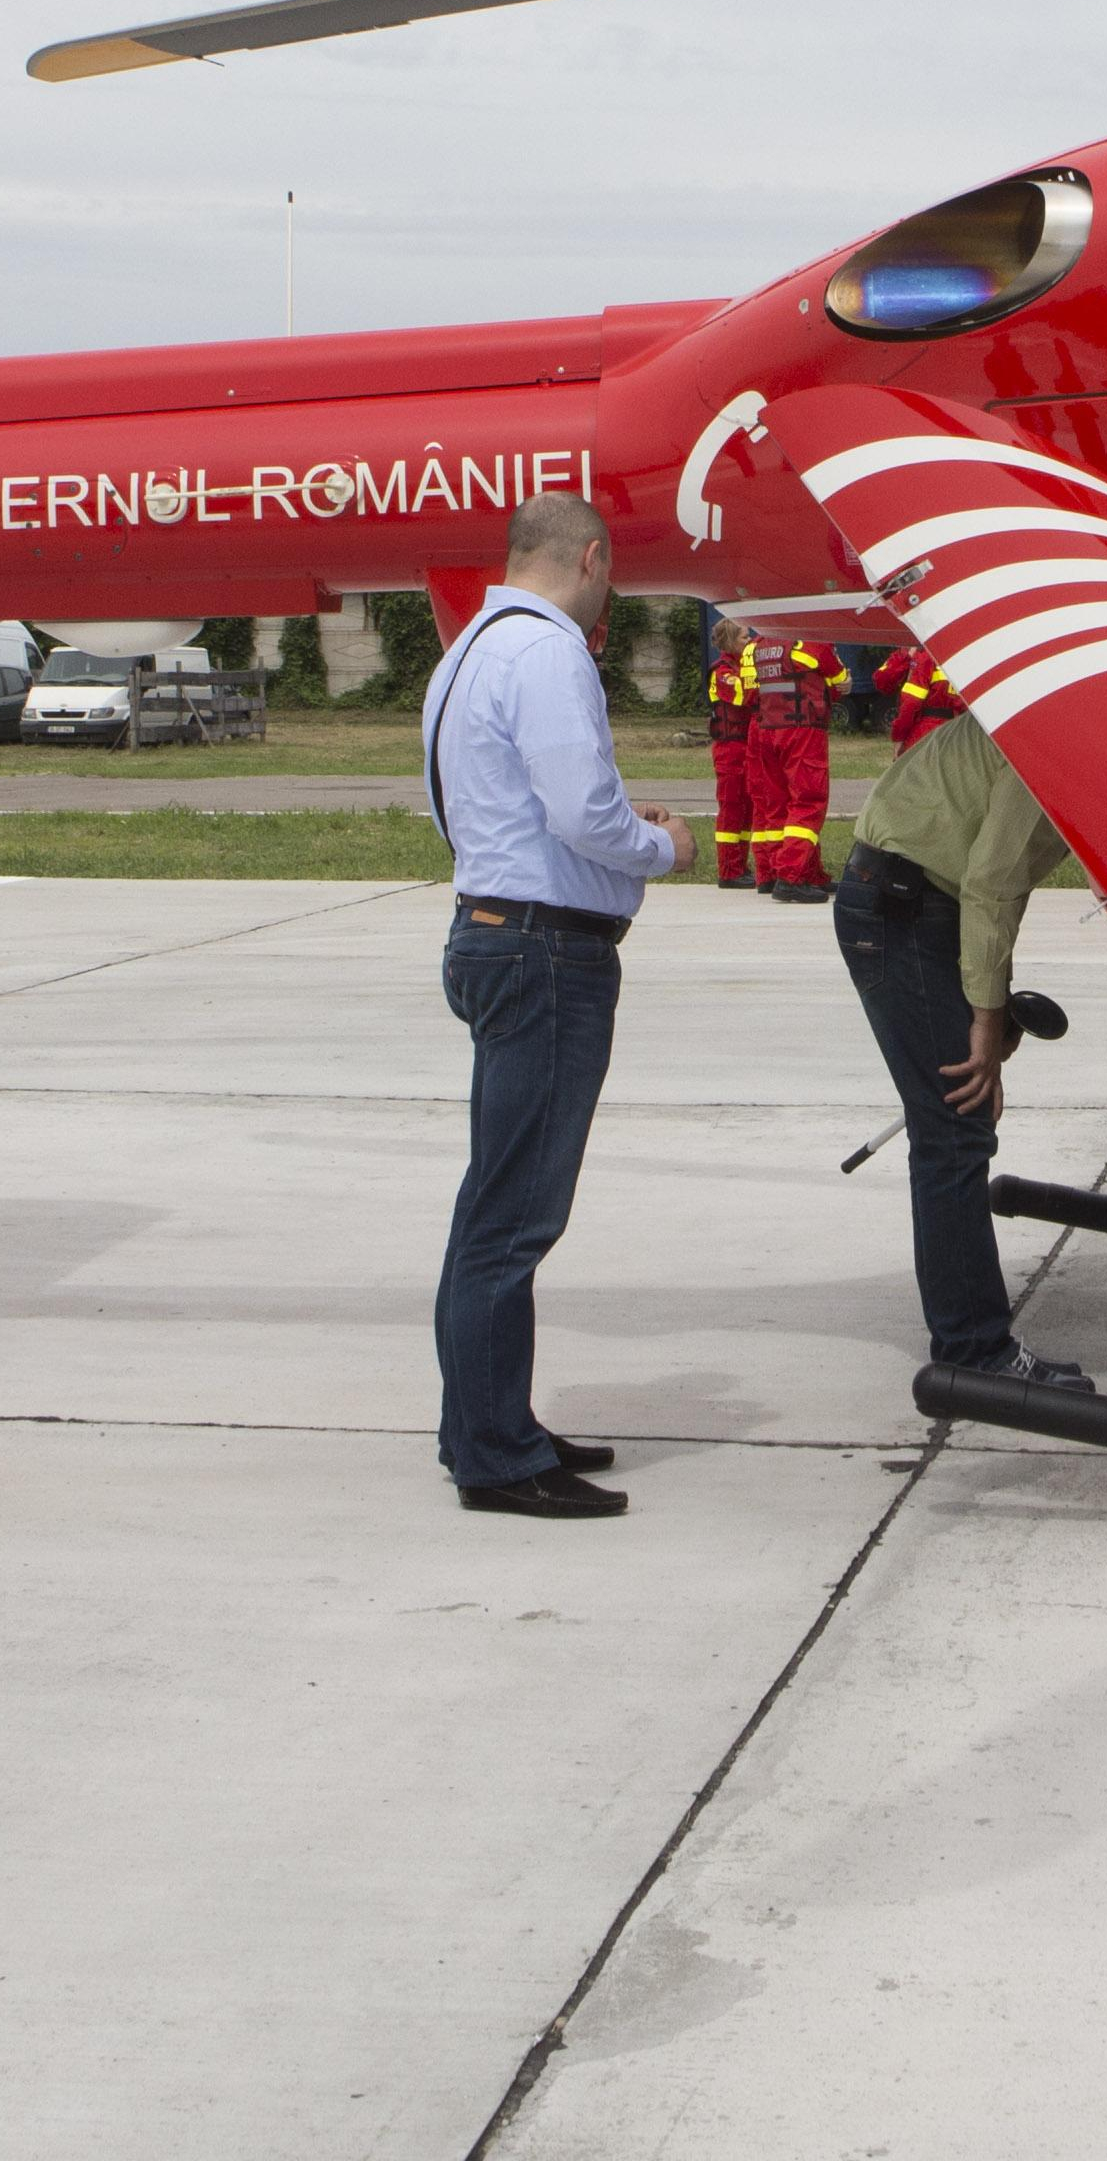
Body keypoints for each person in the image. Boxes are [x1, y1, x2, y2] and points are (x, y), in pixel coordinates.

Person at [422, 488, 685, 1521]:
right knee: (513, 1217)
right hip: (544, 954)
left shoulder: (470, 652)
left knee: (496, 1206)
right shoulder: (549, 654)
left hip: (495, 929)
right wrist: (662, 845)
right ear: (589, 556)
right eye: (610, 572)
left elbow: (477, 806)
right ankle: (493, 1453)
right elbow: (581, 810)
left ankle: (492, 1424)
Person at [827, 671, 1099, 1396]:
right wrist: (986, 1018)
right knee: (954, 1130)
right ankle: (973, 1349)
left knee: (955, 1125)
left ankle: (969, 1337)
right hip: (905, 909)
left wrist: (991, 1004)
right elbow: (993, 881)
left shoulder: (1044, 702)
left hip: (904, 901)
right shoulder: (1061, 735)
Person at [747, 625, 842, 903]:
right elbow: (838, 677)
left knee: (778, 803)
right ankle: (792, 876)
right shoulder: (809, 640)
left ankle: (795, 872)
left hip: (769, 729)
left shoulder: (762, 645)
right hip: (802, 729)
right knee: (808, 801)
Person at [704, 617, 760, 889]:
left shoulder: (740, 667)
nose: (749, 642)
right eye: (744, 638)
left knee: (747, 808)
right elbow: (742, 695)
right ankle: (728, 870)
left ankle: (741, 865)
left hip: (747, 745)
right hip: (729, 748)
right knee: (731, 808)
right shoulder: (722, 672)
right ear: (730, 641)